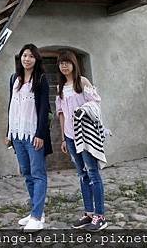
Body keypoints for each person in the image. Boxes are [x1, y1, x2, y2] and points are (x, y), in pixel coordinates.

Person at [55, 50, 108, 232]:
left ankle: (100, 216)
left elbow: (96, 104)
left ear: (74, 64)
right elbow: (61, 115)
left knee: (92, 173)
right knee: (82, 175)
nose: (64, 66)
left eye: (67, 62)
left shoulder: (82, 82)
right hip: (70, 136)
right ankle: (89, 213)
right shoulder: (60, 88)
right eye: (61, 63)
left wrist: (83, 110)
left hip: (85, 135)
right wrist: (63, 138)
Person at [6, 44, 52, 231]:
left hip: (34, 135)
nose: (27, 59)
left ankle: (37, 215)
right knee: (26, 173)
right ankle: (37, 211)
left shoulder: (41, 79)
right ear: (21, 58)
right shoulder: (13, 79)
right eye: (25, 55)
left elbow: (44, 109)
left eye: (31, 56)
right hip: (17, 134)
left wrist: (40, 134)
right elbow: (12, 107)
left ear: (36, 59)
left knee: (38, 174)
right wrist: (8, 132)